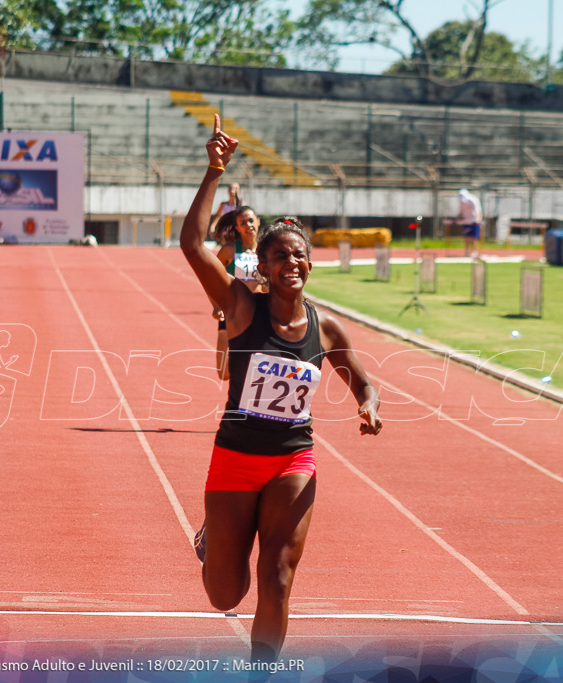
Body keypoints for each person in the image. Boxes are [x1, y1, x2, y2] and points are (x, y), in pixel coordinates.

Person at [180, 115, 383, 663]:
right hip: (235, 458)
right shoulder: (243, 308)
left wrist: (368, 404)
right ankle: (212, 542)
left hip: (293, 461)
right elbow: (192, 243)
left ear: (309, 265)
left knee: (278, 579)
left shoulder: (328, 327)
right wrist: (214, 170)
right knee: (226, 595)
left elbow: (362, 380)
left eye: (298, 255)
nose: (290, 262)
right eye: (278, 256)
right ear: (264, 269)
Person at [212, 206, 264, 380]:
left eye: (251, 220)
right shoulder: (230, 250)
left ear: (258, 221)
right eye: (243, 223)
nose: (248, 225)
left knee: (257, 365)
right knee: (223, 372)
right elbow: (210, 278)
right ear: (237, 228)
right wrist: (216, 305)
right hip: (232, 311)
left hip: (258, 312)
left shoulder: (266, 251)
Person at [457, 188, 482, 257]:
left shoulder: (473, 200)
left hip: (474, 221)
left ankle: (474, 251)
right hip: (466, 221)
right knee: (467, 237)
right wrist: (456, 219)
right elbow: (461, 212)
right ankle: (467, 251)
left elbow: (478, 211)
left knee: (474, 237)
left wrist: (477, 220)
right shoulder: (462, 202)